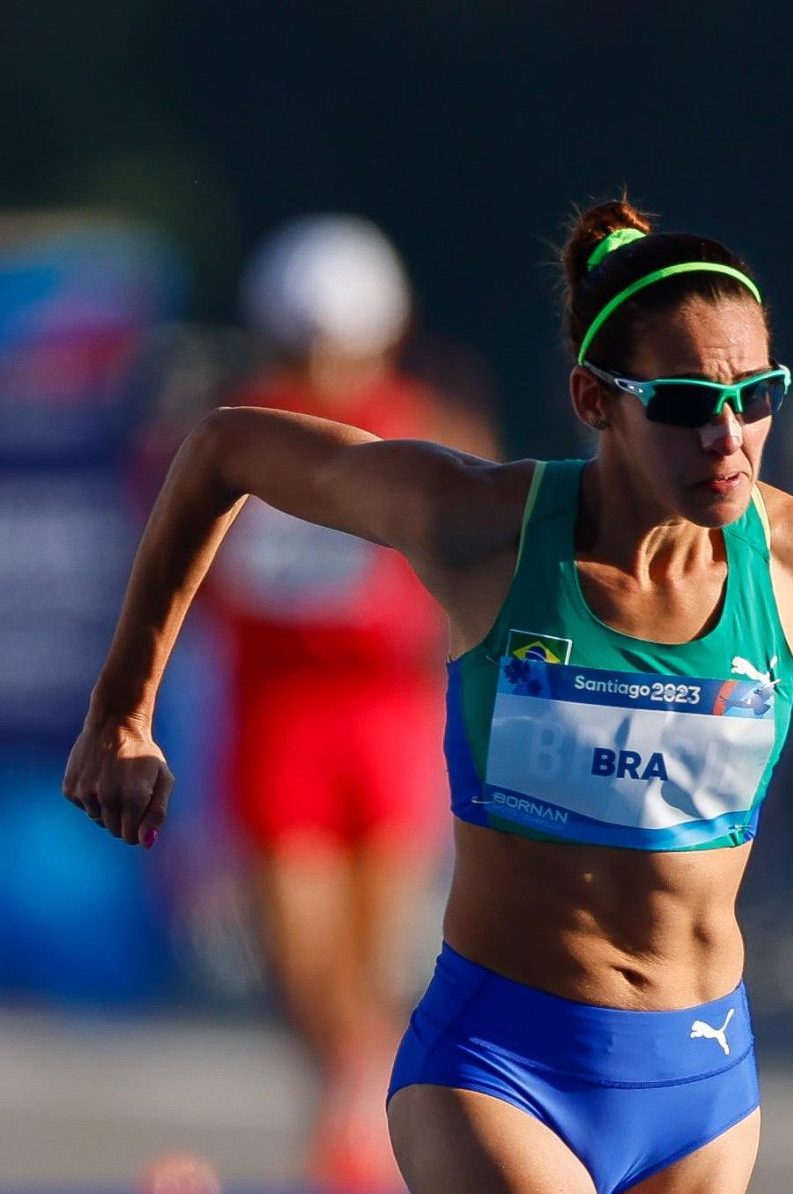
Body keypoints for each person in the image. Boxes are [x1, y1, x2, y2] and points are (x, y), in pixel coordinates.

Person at [62, 198, 793, 1194]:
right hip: (497, 1066)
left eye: (755, 399)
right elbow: (220, 450)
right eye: (684, 406)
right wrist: (123, 711)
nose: (728, 440)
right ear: (593, 400)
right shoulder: (481, 525)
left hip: (702, 1083)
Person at [202, 214, 495, 1193]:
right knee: (298, 959)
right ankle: (348, 1105)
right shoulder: (236, 430)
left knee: (373, 962)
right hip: (278, 717)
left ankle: (356, 1128)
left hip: (387, 719)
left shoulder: (429, 429)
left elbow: (485, 571)